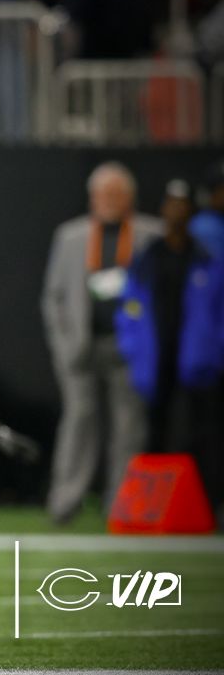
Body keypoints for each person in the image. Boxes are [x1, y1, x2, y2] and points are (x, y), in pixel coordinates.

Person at [42, 161, 160, 524]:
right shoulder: (71, 236)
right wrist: (64, 346)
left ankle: (122, 506)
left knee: (129, 428)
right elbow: (53, 297)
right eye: (103, 193)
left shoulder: (149, 235)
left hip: (128, 347)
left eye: (117, 193)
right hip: (82, 347)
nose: (109, 200)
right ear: (92, 197)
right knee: (79, 422)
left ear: (130, 198)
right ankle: (65, 503)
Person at [115, 179, 224, 463]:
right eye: (171, 204)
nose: (177, 211)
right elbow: (131, 305)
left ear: (191, 212)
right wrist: (132, 346)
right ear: (163, 209)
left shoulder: (206, 259)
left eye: (183, 205)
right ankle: (154, 504)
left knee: (202, 435)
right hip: (156, 359)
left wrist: (213, 350)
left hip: (196, 364)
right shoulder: (147, 259)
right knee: (153, 433)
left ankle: (206, 504)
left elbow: (217, 309)